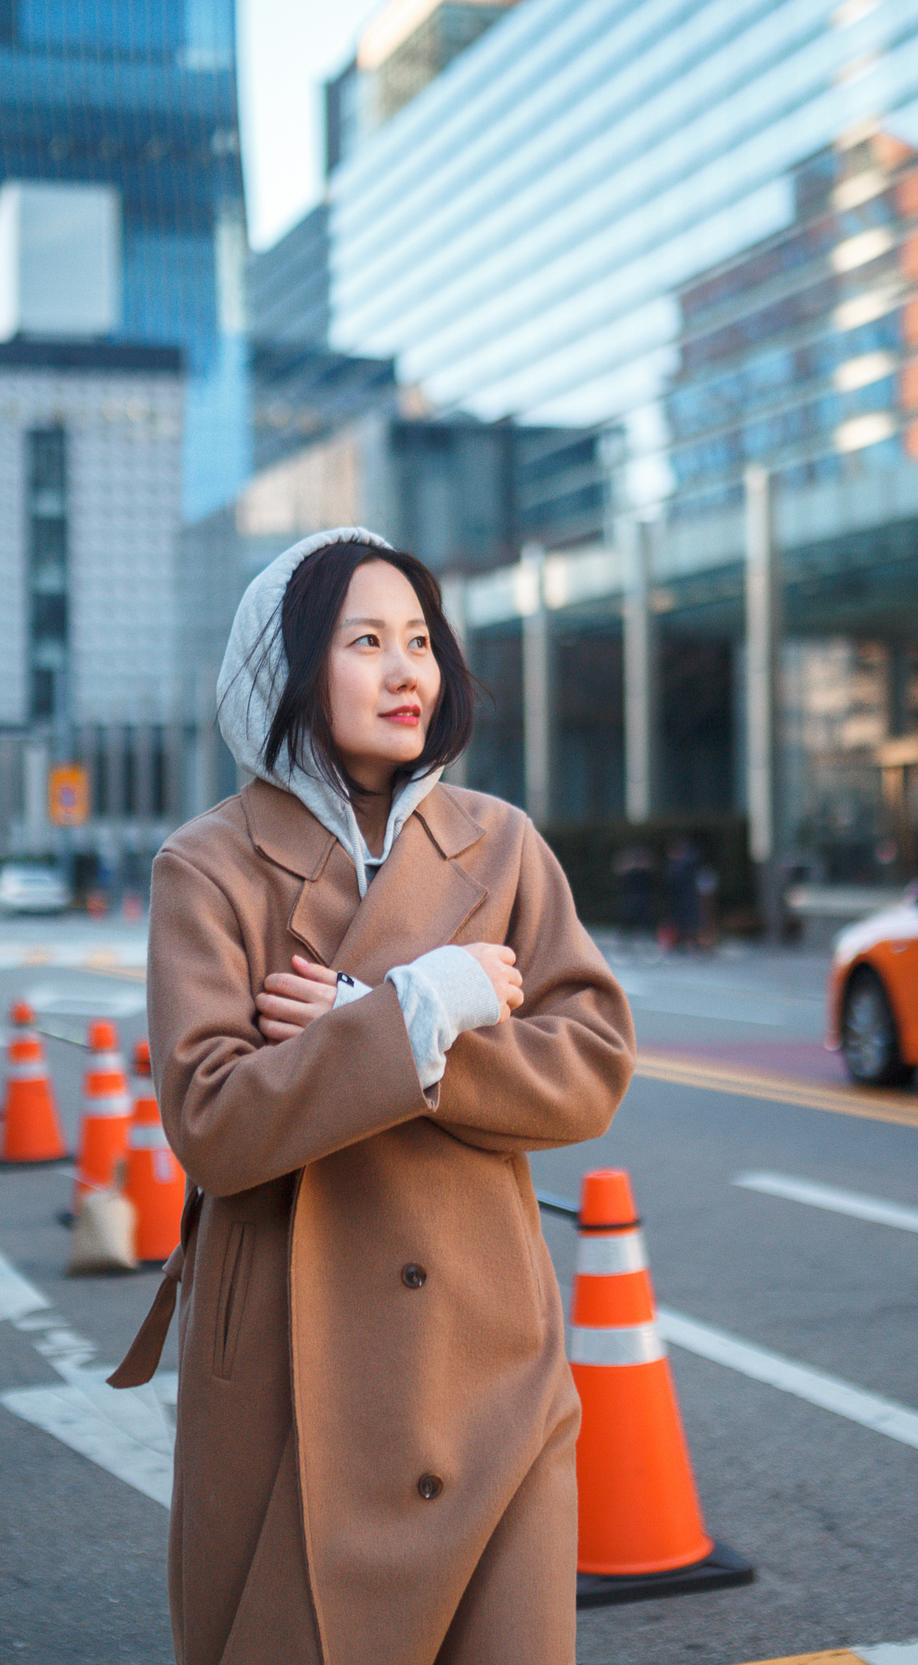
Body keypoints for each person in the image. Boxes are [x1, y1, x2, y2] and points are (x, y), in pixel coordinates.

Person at [108, 527, 632, 1664]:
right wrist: (416, 1011)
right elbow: (213, 1124)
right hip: (294, 1370)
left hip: (489, 1355)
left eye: (419, 641)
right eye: (364, 642)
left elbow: (590, 1066)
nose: (406, 672)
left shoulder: (502, 844)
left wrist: (392, 1027)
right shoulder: (209, 864)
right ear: (286, 669)